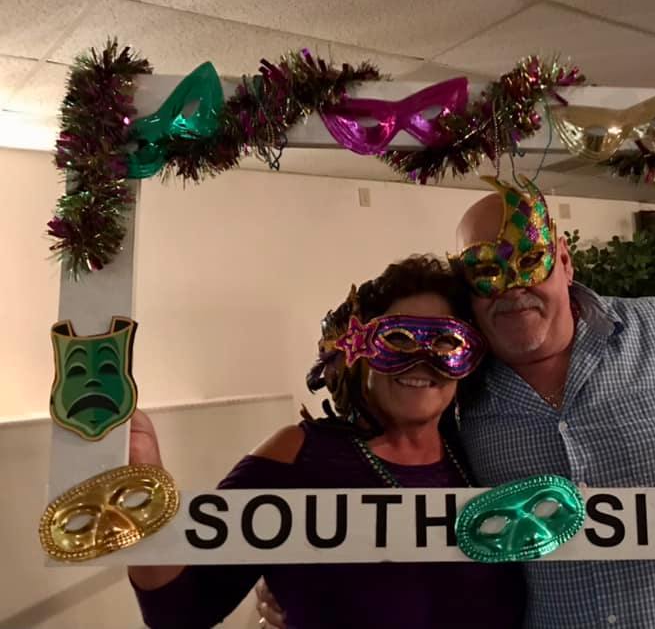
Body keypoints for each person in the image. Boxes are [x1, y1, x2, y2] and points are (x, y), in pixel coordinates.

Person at [257, 176, 655, 629]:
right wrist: (302, 572)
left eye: (528, 260)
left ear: (562, 258)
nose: (513, 289)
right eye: (487, 271)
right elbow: (402, 487)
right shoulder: (454, 385)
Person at [128, 255, 526, 629]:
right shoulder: (298, 457)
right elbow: (178, 608)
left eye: (445, 342)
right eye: (399, 340)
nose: (422, 359)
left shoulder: (476, 455)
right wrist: (142, 478)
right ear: (358, 353)